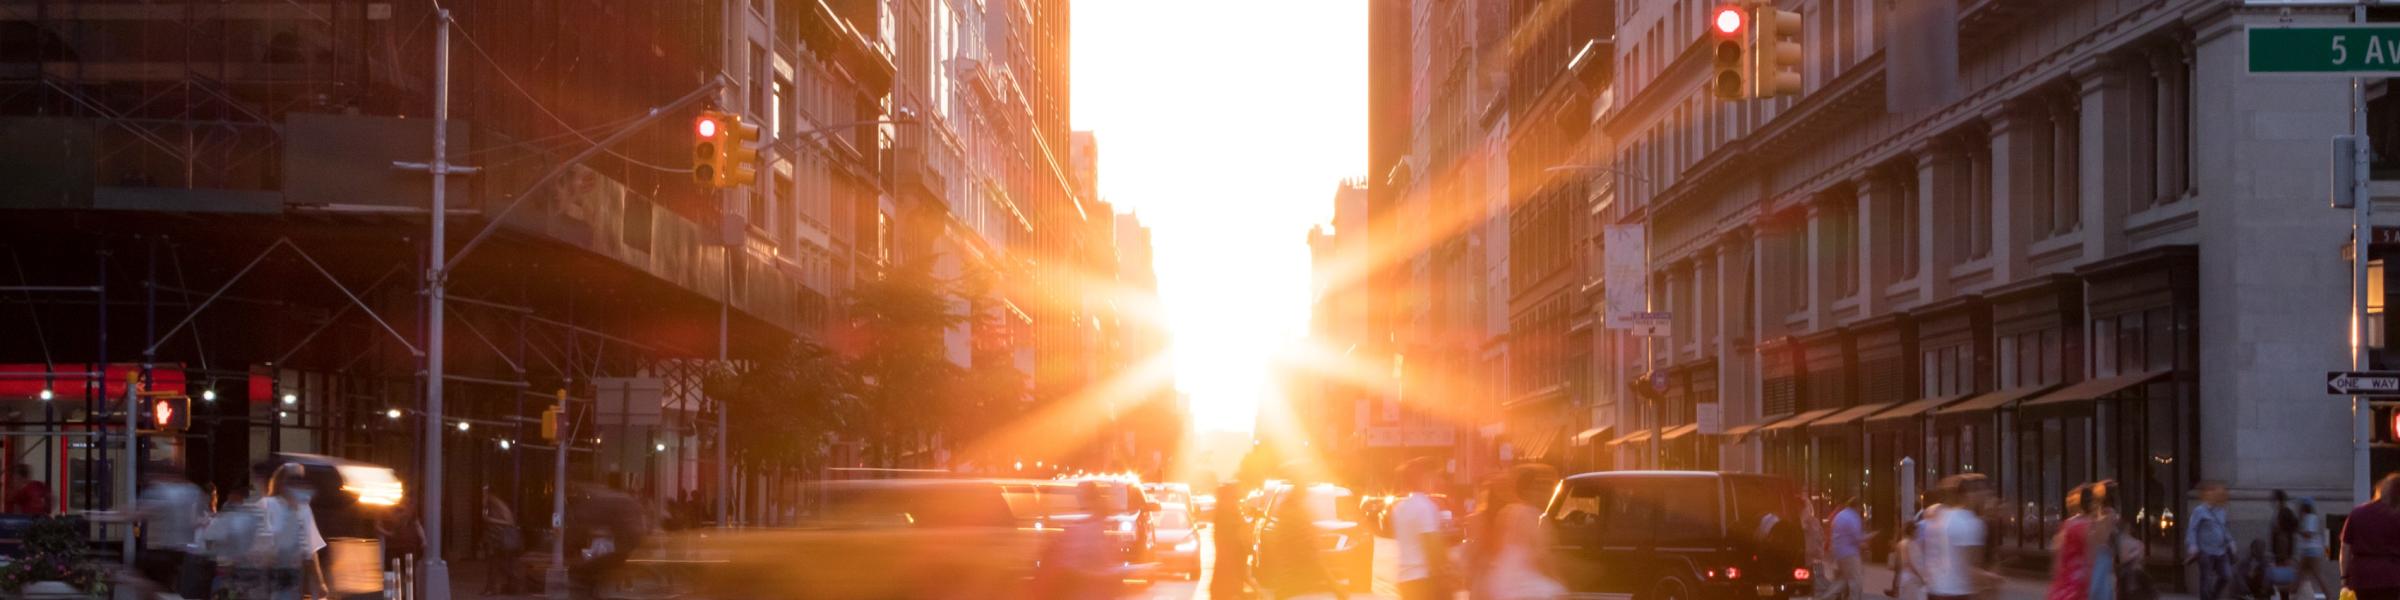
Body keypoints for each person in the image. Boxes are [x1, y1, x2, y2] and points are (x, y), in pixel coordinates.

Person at [1481, 464, 1565, 600]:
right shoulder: (1534, 516)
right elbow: (1544, 556)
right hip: (1520, 584)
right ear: (1529, 491)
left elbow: (1496, 548)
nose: (1545, 493)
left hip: (1499, 580)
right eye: (1540, 488)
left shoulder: (1507, 511)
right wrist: (1558, 579)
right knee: (1557, 591)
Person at [1258, 484, 1346, 599]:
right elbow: (1297, 532)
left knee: (1288, 587)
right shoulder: (1292, 510)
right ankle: (1340, 593)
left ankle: (1339, 592)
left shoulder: (1292, 508)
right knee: (1290, 587)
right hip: (1301, 555)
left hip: (1301, 555)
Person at [1920, 475, 1994, 600]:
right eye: (1983, 491)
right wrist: (1992, 580)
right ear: (1970, 495)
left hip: (1935, 590)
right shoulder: (1969, 523)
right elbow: (1972, 568)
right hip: (1957, 593)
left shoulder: (1939, 515)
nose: (1987, 496)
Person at [1390, 457, 1451, 600]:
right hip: (1424, 580)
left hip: (1405, 580)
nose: (1437, 480)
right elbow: (1432, 546)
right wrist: (1446, 574)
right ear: (1424, 477)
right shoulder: (1425, 506)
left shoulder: (1399, 508)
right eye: (1434, 475)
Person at [2342, 474, 2400, 600]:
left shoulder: (2357, 513)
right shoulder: (2396, 515)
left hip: (2362, 576)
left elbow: (2345, 548)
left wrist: (2344, 578)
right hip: (2391, 576)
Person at [2189, 481, 2238, 600]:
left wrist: (2230, 541)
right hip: (2205, 550)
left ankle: (2214, 597)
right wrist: (2192, 544)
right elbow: (2192, 529)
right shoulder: (2199, 511)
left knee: (2226, 575)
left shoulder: (2221, 511)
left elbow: (2223, 528)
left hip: (2221, 550)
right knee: (2206, 579)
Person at [1209, 482, 1254, 600]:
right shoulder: (1226, 520)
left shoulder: (1231, 517)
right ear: (1224, 499)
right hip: (1227, 586)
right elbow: (1235, 551)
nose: (1236, 502)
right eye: (1233, 498)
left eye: (1236, 498)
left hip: (1229, 585)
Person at [2051, 484, 2096, 600]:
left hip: (2066, 574)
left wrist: (2057, 573)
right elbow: (2090, 553)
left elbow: (2059, 552)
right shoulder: (2089, 525)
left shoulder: (2068, 524)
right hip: (2080, 576)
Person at [482, 487, 526, 595]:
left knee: (499, 565)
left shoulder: (499, 505)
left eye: (485, 494)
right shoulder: (491, 506)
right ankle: (492, 588)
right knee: (496, 565)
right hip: (496, 540)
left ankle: (495, 588)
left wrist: (491, 520)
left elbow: (509, 522)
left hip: (500, 540)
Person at [1831, 498, 1869, 600]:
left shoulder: (1839, 515)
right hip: (1850, 554)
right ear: (1857, 506)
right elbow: (1857, 537)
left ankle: (1826, 596)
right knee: (1856, 581)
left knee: (1843, 580)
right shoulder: (1853, 517)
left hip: (1839, 553)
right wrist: (1866, 541)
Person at [2295, 497, 2331, 600]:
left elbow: (2308, 534)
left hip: (2310, 552)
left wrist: (2298, 531)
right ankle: (2294, 596)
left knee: (2310, 575)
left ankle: (2329, 595)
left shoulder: (2310, 517)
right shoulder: (2308, 518)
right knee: (2301, 576)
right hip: (2308, 551)